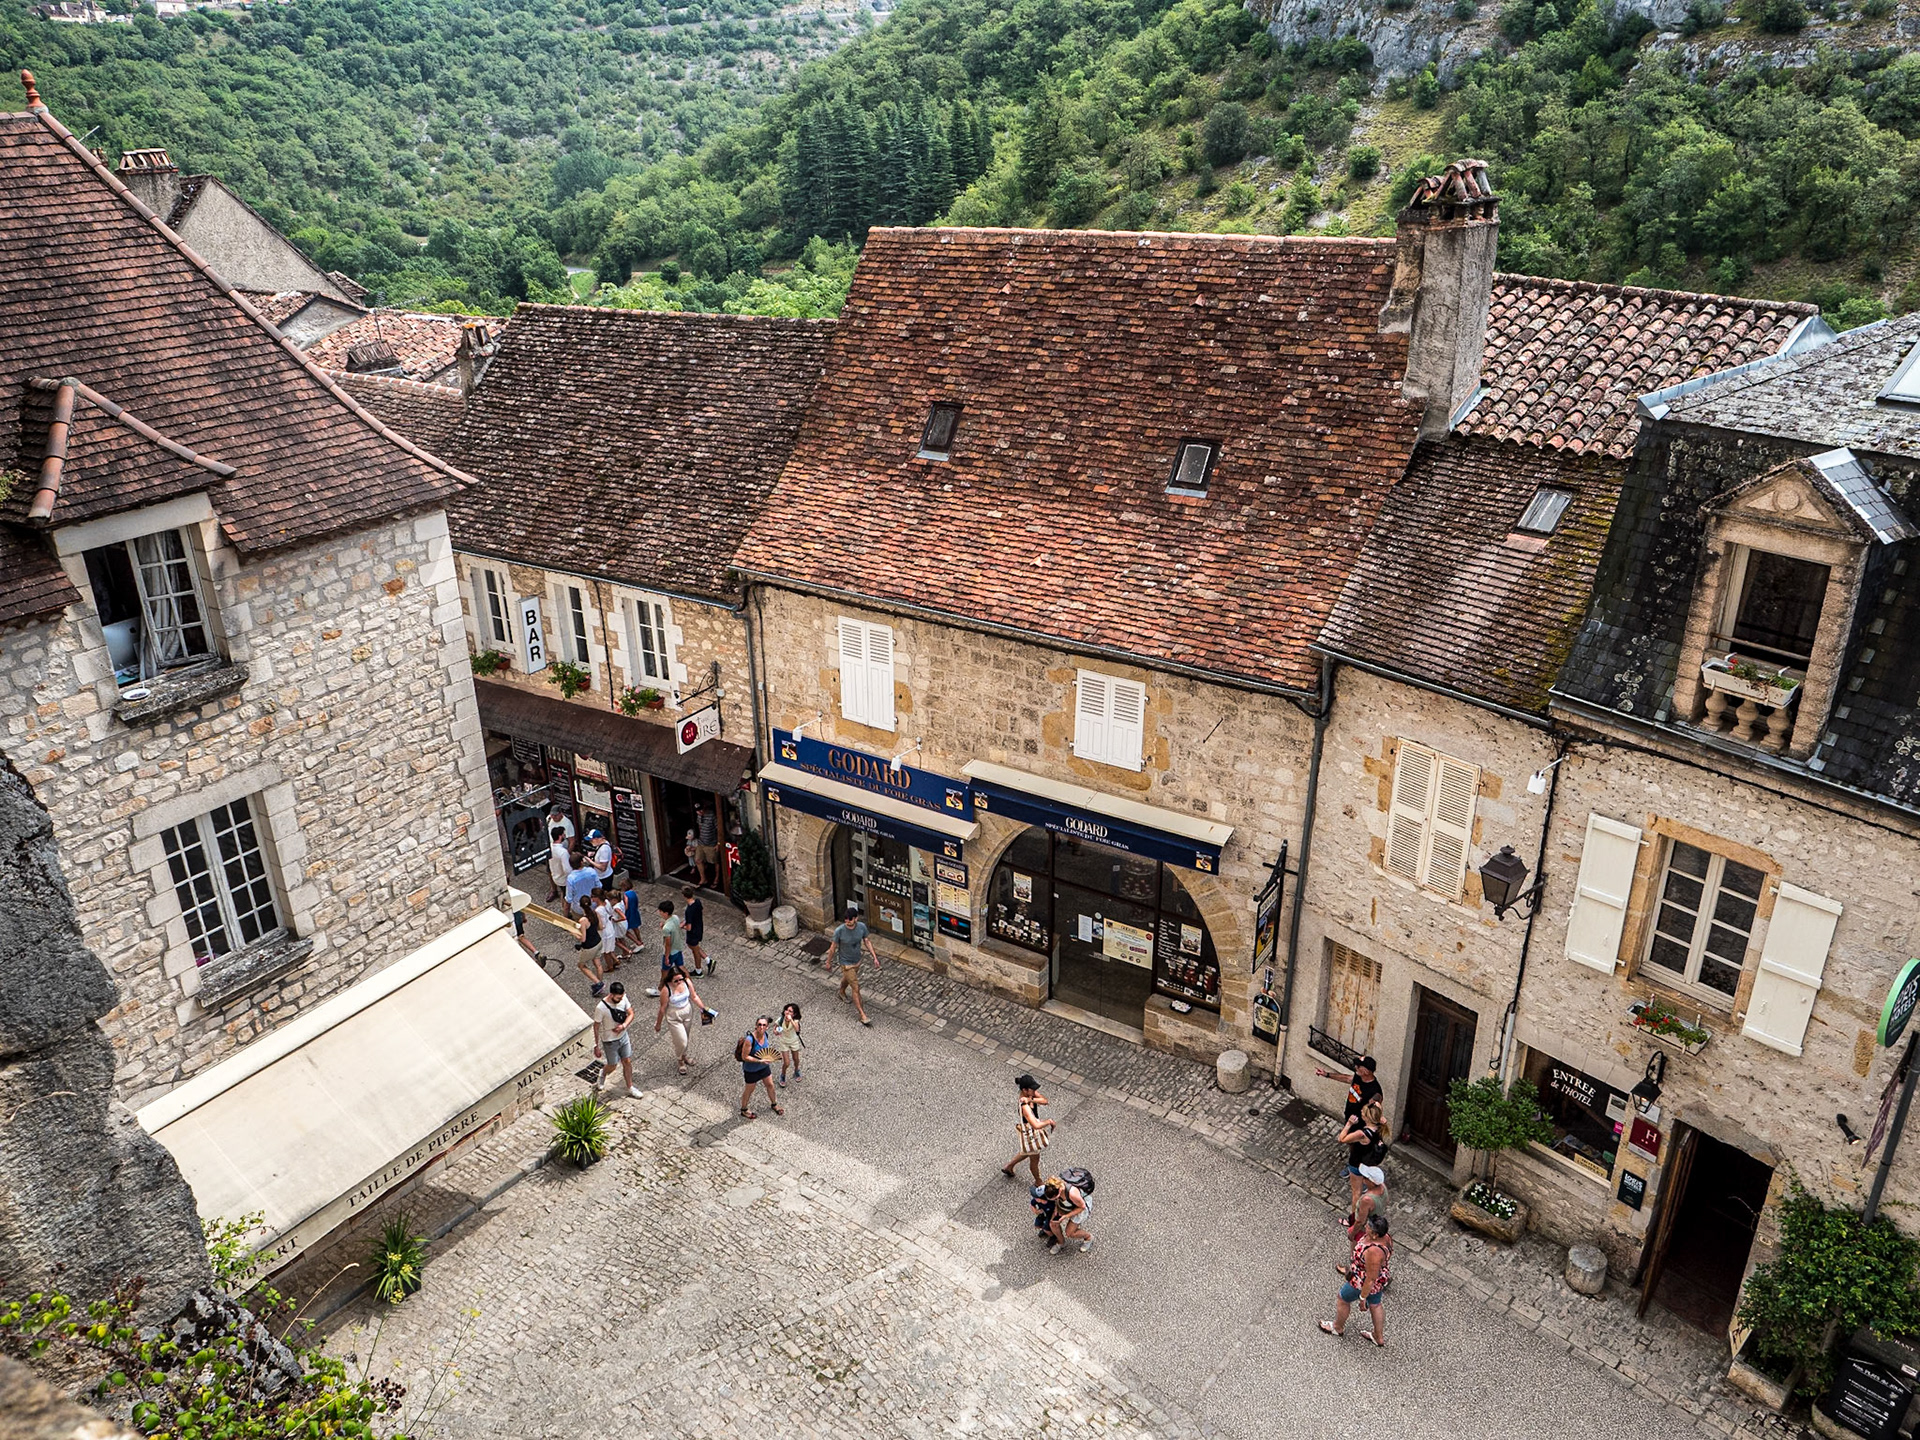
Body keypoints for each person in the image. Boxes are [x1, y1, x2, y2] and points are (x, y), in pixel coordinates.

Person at [1316, 1057, 1382, 1220]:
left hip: (1360, 1124)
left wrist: (1368, 1121)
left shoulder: (1375, 1091)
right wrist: (1327, 1075)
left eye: (1358, 1066)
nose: (1355, 1067)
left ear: (1366, 1070)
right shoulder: (1358, 1077)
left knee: (1360, 1147)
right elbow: (1347, 1078)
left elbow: (1376, 1111)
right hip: (1351, 1118)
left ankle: (1363, 1175)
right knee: (1354, 1147)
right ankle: (1355, 1167)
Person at [1321, 1212, 1392, 1347]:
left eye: (1369, 1227)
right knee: (1376, 1304)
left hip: (1362, 1282)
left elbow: (1370, 1279)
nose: (1366, 1227)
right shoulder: (1386, 1238)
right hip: (1379, 1280)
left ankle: (1337, 1327)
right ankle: (1378, 1336)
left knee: (1343, 1299)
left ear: (1375, 1234)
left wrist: (1362, 1297)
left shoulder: (1373, 1252)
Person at [1336, 1098, 1389, 1228]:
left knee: (1356, 1192)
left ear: (1366, 1118)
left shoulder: (1362, 1134)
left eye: (1363, 1112)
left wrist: (1349, 1124)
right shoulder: (1380, 1127)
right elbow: (1377, 1107)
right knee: (1365, 1188)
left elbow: (1341, 1139)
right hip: (1369, 1163)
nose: (1361, 1112)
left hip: (1356, 1164)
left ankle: (1353, 1219)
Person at [831, 903, 880, 1027]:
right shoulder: (839, 931)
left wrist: (874, 957)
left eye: (850, 921)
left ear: (856, 919)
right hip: (846, 963)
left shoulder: (861, 927)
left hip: (857, 961)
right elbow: (833, 947)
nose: (848, 923)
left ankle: (841, 991)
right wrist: (828, 961)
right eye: (846, 921)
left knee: (847, 979)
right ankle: (862, 1015)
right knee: (855, 988)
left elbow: (867, 941)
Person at [593, 981, 643, 1099]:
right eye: (617, 998)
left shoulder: (624, 999)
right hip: (609, 1041)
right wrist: (596, 1045)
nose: (620, 1000)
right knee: (612, 1065)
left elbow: (631, 1013)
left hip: (623, 1037)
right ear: (611, 994)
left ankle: (630, 1087)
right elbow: (596, 1026)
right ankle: (603, 1073)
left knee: (627, 1061)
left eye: (621, 997)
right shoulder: (601, 1008)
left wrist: (623, 1026)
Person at [654, 966, 708, 1075]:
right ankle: (680, 1060)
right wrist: (658, 1024)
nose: (679, 982)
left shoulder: (687, 982)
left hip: (687, 1012)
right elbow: (662, 1008)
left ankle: (684, 1056)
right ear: (670, 979)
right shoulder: (666, 989)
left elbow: (694, 996)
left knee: (686, 1037)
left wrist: (704, 1008)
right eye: (676, 980)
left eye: (680, 979)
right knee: (681, 1040)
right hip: (674, 1016)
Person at [1002, 1074, 1055, 1183]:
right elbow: (1036, 1125)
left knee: (1028, 1150)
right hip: (1031, 1134)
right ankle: (1038, 1181)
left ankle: (1009, 1166)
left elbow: (1045, 1101)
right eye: (1032, 1089)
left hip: (1032, 1131)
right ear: (1025, 1090)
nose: (1035, 1091)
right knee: (1034, 1159)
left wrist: (1031, 1100)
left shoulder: (1031, 1095)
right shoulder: (1024, 1108)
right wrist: (1048, 1122)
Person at [737, 1015, 783, 1120]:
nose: (761, 1027)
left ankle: (774, 1104)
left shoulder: (765, 1035)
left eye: (764, 1025)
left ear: (767, 1027)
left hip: (763, 1067)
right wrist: (759, 1060)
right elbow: (745, 1057)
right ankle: (744, 1109)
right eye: (759, 1025)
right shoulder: (750, 1039)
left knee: (770, 1085)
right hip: (751, 1070)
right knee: (749, 1090)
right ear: (756, 1026)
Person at [1045, 1175, 1093, 1255]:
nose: (1054, 1199)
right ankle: (1061, 1242)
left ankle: (1088, 1238)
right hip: (1067, 1204)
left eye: (1055, 1197)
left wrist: (1066, 1216)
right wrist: (1057, 1208)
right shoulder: (1054, 1187)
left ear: (1059, 1191)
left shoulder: (1072, 1193)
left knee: (1070, 1233)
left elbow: (1082, 1207)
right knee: (1053, 1224)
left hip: (1080, 1208)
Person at [653, 898, 689, 998]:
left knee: (664, 971)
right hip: (678, 947)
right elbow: (674, 926)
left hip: (671, 951)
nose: (659, 913)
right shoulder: (675, 918)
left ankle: (660, 989)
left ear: (665, 913)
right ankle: (688, 983)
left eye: (660, 911)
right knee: (681, 966)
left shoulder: (666, 928)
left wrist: (667, 956)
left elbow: (668, 943)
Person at [574, 895, 607, 995]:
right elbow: (601, 927)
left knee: (581, 965)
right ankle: (599, 983)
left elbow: (583, 939)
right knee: (598, 964)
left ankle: (598, 983)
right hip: (598, 941)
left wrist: (573, 933)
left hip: (589, 947)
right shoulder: (595, 913)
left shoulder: (583, 920)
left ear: (580, 906)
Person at [1348, 1165, 1388, 1242]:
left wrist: (1352, 1233)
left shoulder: (1367, 1199)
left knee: (1356, 1247)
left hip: (1365, 1228)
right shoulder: (1383, 1187)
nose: (1363, 1179)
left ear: (1372, 1182)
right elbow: (1386, 1202)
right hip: (1376, 1220)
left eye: (1365, 1178)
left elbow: (1360, 1221)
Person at [682, 884, 710, 976]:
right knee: (694, 947)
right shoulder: (697, 902)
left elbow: (689, 927)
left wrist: (682, 926)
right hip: (699, 928)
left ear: (684, 896)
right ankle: (707, 960)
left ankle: (698, 970)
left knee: (695, 950)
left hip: (693, 932)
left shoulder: (688, 910)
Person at [773, 1002, 803, 1085]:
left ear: (794, 1014)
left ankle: (796, 1070)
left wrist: (791, 1020)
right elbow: (775, 1028)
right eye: (787, 1010)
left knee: (796, 1059)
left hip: (793, 1041)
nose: (787, 1012)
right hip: (784, 1042)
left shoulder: (795, 1020)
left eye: (790, 1011)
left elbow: (797, 1029)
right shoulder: (781, 1019)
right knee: (786, 1062)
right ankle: (783, 1075)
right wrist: (775, 1031)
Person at [564, 850, 599, 917]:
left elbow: (569, 898)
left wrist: (566, 913)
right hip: (593, 905)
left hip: (579, 909)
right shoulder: (592, 871)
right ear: (581, 862)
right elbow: (599, 886)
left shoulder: (571, 878)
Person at [693, 802, 720, 887]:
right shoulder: (699, 815)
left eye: (701, 809)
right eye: (698, 811)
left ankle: (717, 878)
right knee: (698, 860)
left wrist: (718, 843)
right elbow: (699, 827)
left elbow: (719, 829)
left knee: (715, 861)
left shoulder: (712, 815)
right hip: (701, 842)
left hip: (712, 843)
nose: (700, 812)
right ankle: (703, 879)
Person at [545, 825, 570, 903]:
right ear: (560, 836)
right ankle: (565, 912)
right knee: (567, 897)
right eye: (563, 834)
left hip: (555, 876)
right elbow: (567, 869)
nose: (564, 835)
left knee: (563, 893)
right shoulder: (563, 852)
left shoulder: (550, 848)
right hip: (564, 879)